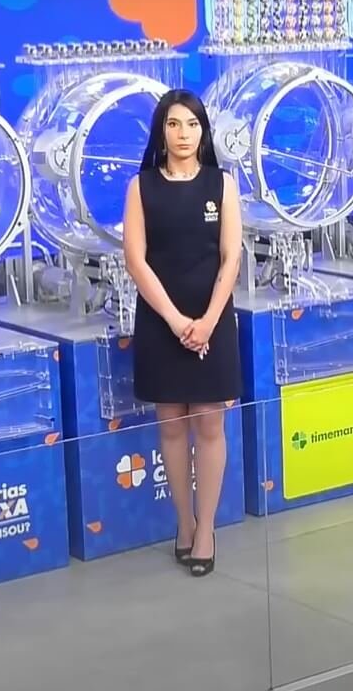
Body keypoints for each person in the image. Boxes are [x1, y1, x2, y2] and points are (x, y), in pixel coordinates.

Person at [122, 89, 243, 577]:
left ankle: (207, 529)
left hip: (212, 319)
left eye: (192, 124)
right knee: (172, 426)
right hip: (160, 321)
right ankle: (185, 522)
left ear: (203, 131)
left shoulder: (222, 184)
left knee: (209, 426)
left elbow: (231, 257)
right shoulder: (142, 187)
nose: (183, 134)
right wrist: (175, 321)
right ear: (161, 131)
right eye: (174, 124)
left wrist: (208, 320)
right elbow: (136, 260)